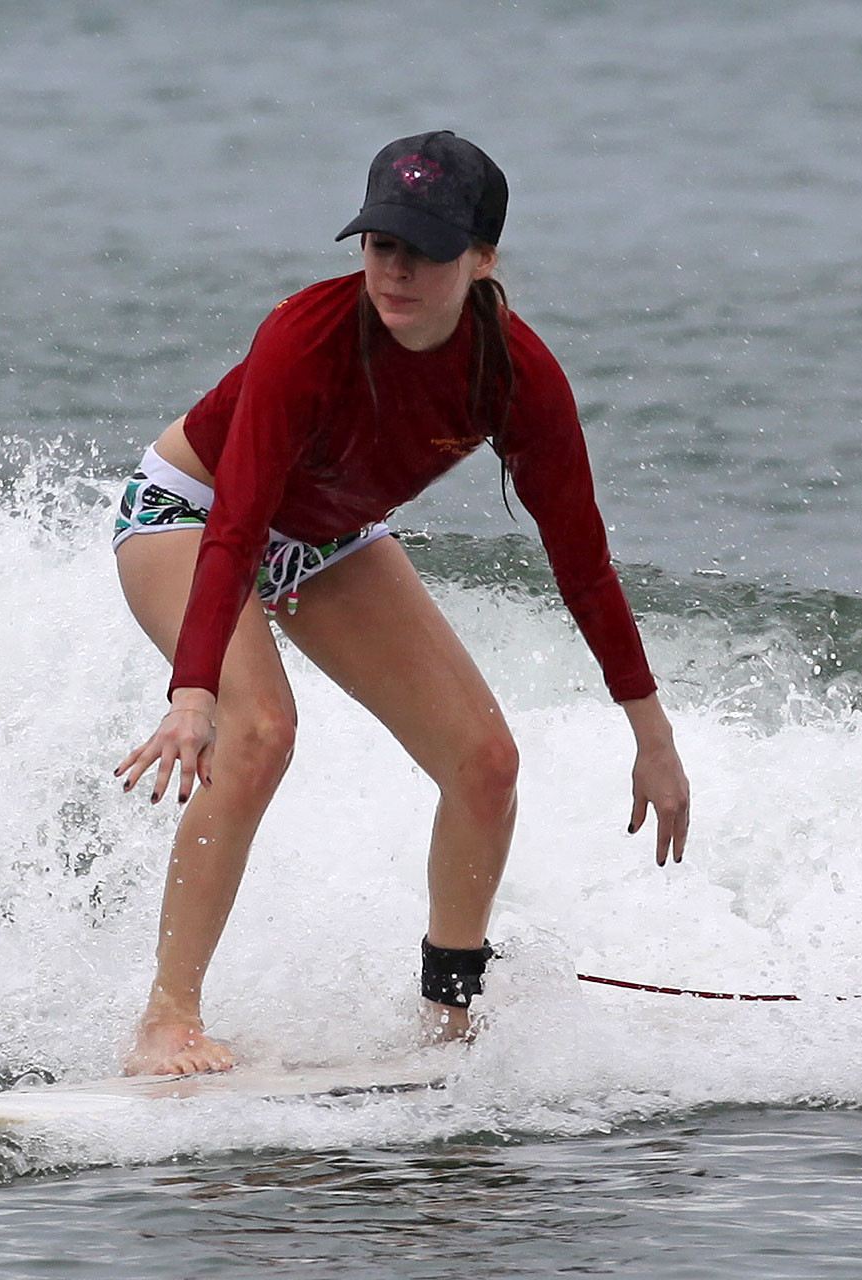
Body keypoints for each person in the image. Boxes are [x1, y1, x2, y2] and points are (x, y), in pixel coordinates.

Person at [111, 131, 691, 1076]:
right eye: (381, 244)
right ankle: (166, 1020)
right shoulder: (304, 337)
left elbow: (582, 563)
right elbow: (240, 524)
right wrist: (192, 694)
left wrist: (652, 735)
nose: (396, 270)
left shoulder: (515, 375)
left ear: (483, 259)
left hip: (330, 539)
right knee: (259, 729)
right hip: (194, 512)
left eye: (424, 249)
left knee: (486, 763)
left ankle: (448, 1026)